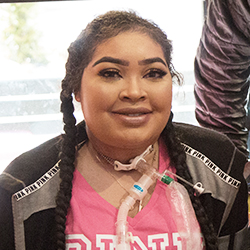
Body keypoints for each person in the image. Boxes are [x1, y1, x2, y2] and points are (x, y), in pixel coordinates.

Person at [0, 10, 248, 250]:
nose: (134, 91)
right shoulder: (20, 190)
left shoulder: (221, 169)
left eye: (153, 73)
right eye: (110, 73)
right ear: (76, 89)